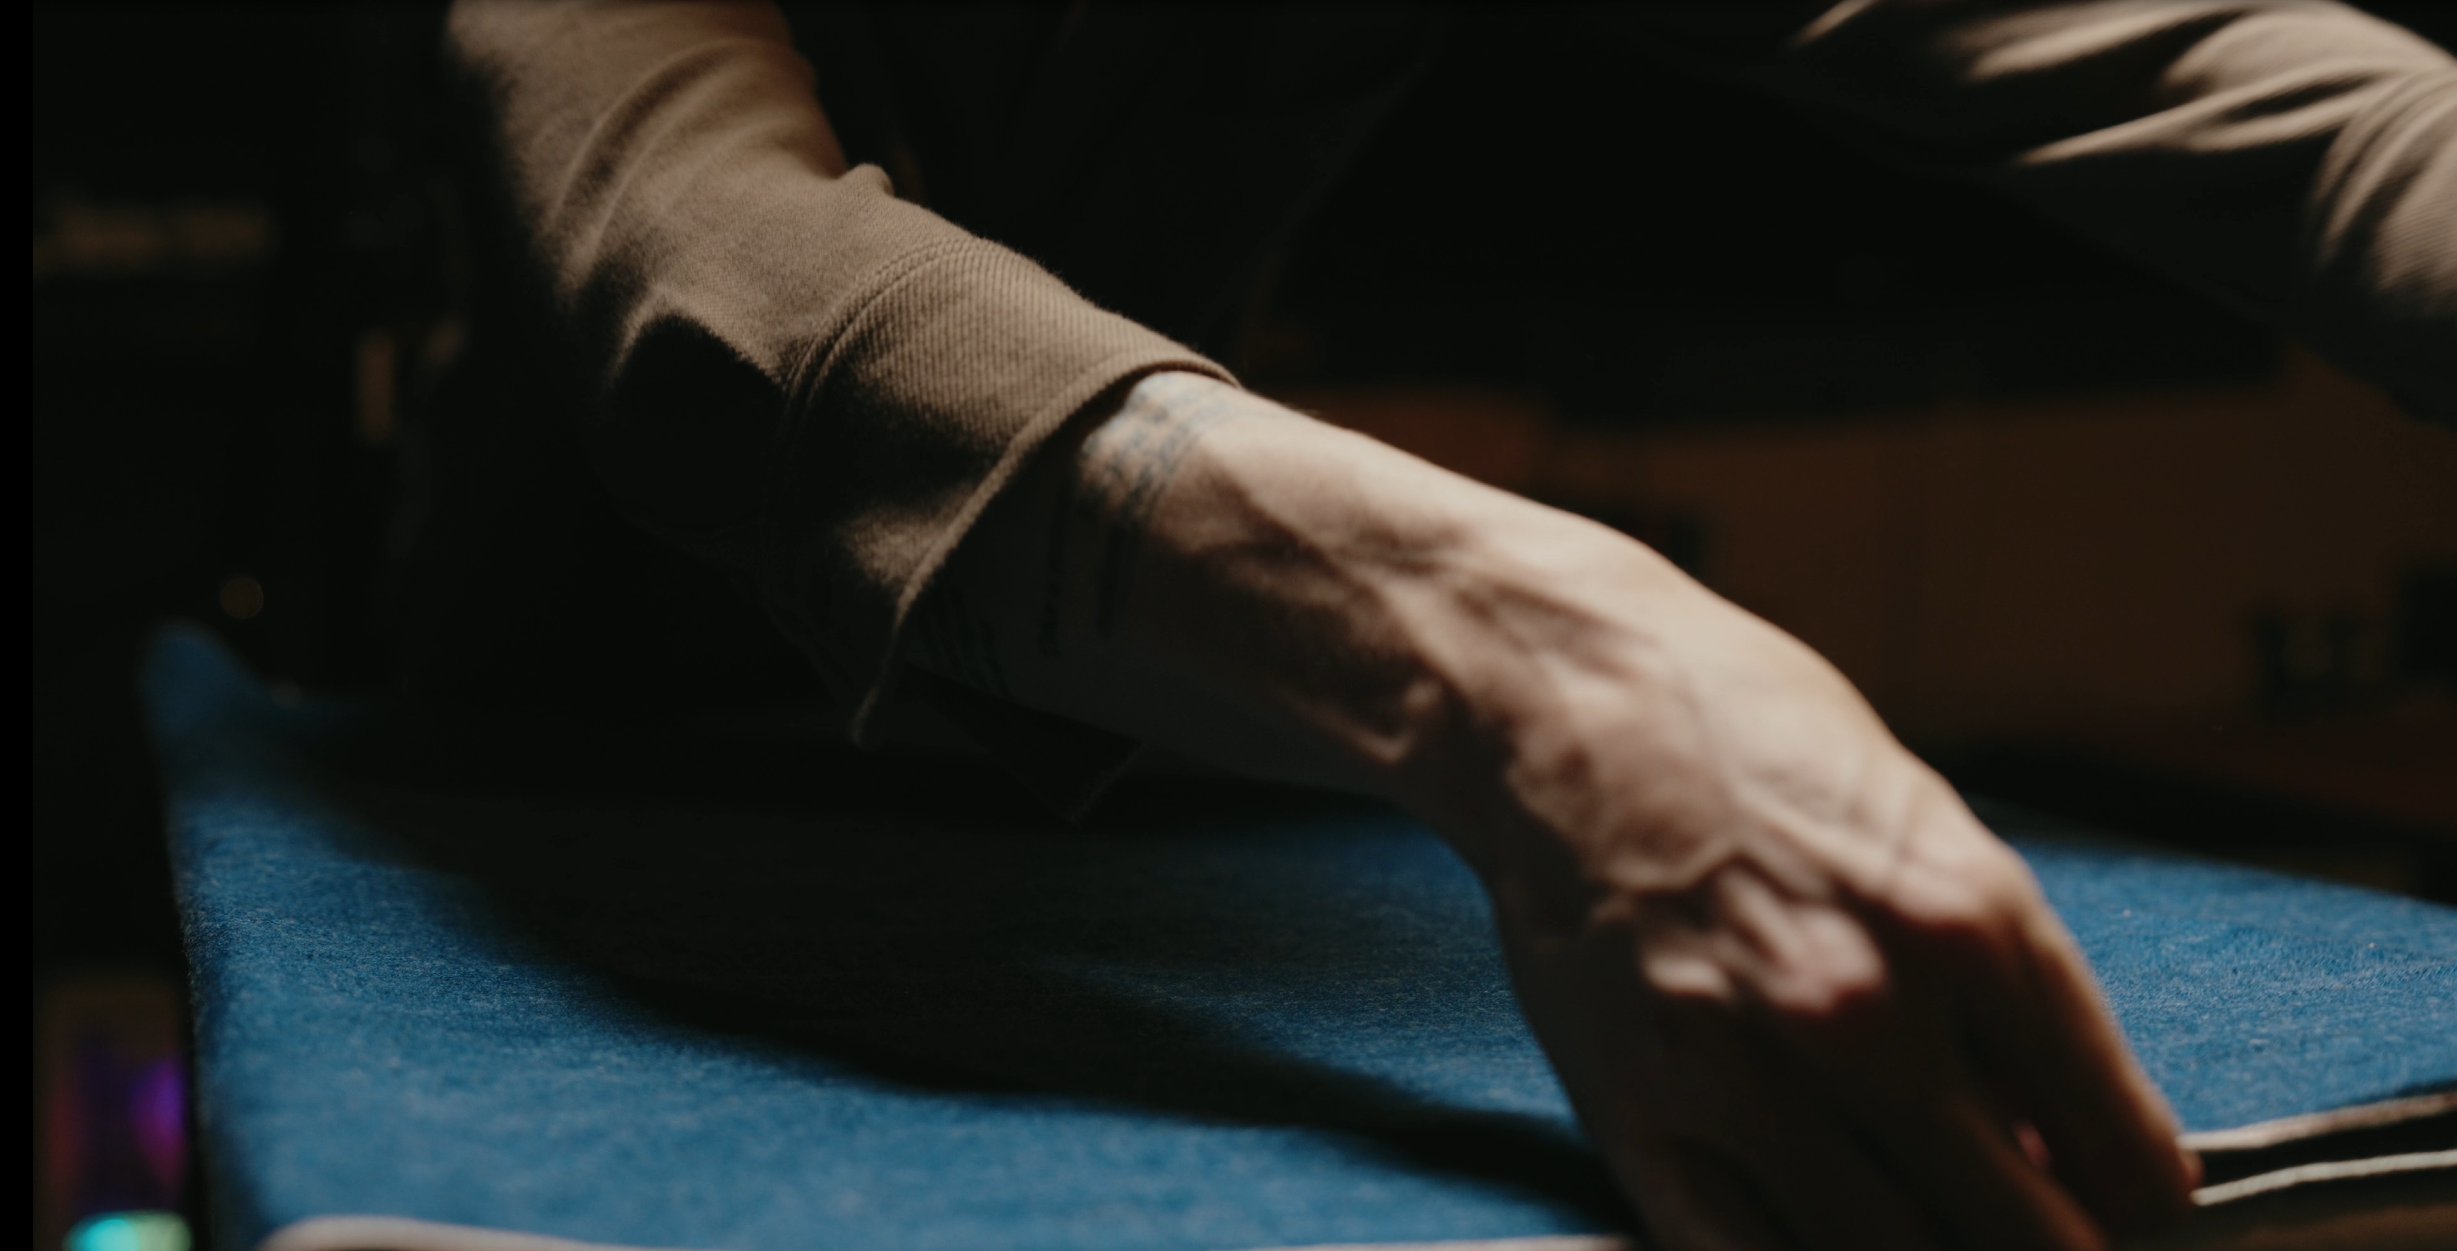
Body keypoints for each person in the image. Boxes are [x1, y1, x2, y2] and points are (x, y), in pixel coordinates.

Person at [435, 3, 2455, 1247]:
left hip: (1133, 782)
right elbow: (706, 268)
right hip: (552, 776)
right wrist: (1546, 660)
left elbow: (2241, 80)